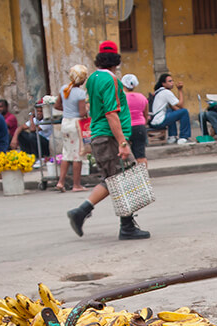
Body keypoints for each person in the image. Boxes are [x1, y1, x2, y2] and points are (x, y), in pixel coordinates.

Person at [66, 40, 150, 241]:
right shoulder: (111, 80)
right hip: (109, 136)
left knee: (116, 179)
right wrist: (122, 142)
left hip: (100, 135)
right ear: (116, 61)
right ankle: (91, 214)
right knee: (123, 178)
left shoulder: (93, 78)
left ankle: (91, 214)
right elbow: (111, 113)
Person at [55, 64, 89, 192]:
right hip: (76, 124)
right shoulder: (80, 93)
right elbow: (81, 113)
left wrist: (68, 110)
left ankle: (61, 182)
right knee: (77, 155)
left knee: (66, 154)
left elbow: (57, 105)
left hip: (65, 122)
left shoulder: (64, 89)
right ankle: (76, 184)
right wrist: (87, 108)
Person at [149, 74, 192, 145]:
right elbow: (181, 105)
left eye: (172, 81)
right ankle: (183, 137)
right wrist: (180, 90)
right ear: (164, 84)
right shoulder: (166, 92)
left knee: (170, 110)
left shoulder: (159, 91)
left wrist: (178, 116)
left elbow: (175, 108)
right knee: (184, 111)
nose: (172, 83)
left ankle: (172, 137)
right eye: (170, 81)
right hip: (159, 122)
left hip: (154, 121)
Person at [121, 73, 148, 167]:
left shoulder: (121, 98)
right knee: (141, 155)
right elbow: (146, 114)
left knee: (125, 154)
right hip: (140, 127)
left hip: (125, 127)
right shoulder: (142, 97)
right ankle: (144, 179)